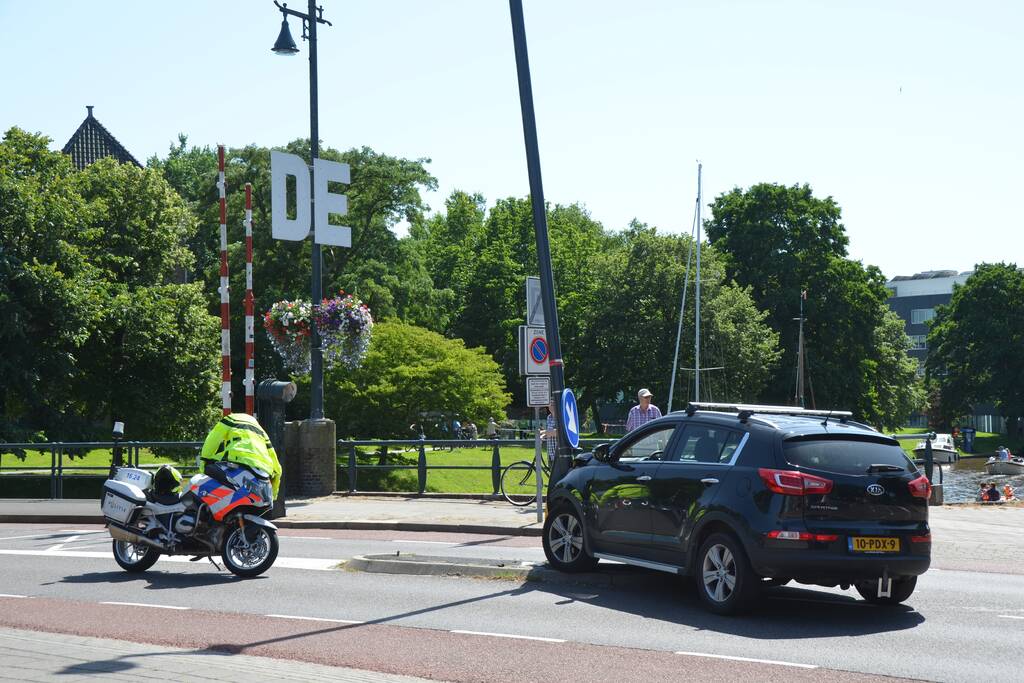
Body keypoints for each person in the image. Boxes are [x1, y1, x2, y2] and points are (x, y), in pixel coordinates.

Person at [199, 413, 282, 499]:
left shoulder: (229, 420)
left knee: (210, 469)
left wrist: (204, 463)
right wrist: (273, 496)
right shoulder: (261, 431)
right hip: (263, 471)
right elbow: (277, 468)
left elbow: (212, 440)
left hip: (238, 462)